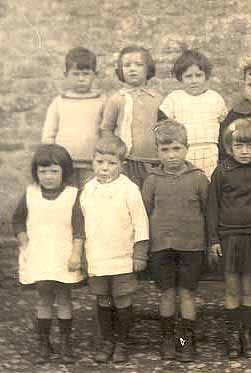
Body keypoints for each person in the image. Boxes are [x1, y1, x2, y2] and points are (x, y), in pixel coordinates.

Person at [142, 120, 209, 362]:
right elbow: (145, 212)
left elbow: (207, 211)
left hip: (191, 247)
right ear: (157, 151)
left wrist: (209, 244)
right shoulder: (152, 180)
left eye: (176, 149)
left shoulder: (198, 178)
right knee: (168, 294)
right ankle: (169, 340)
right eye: (165, 150)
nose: (171, 156)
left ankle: (185, 341)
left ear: (187, 148)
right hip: (161, 248)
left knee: (187, 294)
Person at [12, 144, 84, 364]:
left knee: (63, 298)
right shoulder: (30, 194)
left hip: (63, 256)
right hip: (39, 254)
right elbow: (18, 219)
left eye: (54, 171)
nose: (48, 176)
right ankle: (43, 343)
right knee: (43, 299)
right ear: (36, 172)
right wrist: (22, 236)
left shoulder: (73, 195)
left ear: (64, 172)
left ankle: (65, 342)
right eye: (43, 172)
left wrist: (76, 254)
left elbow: (80, 227)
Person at [80, 135, 150, 363]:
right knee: (103, 299)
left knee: (121, 299)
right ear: (93, 161)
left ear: (122, 165)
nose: (105, 168)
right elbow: (84, 224)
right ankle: (107, 340)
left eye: (111, 163)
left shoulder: (129, 189)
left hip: (122, 257)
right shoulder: (88, 189)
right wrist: (83, 256)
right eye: (100, 162)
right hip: (98, 257)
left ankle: (122, 341)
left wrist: (140, 253)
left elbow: (141, 223)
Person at [208, 118, 251, 358]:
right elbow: (212, 207)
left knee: (249, 289)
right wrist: (213, 239)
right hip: (228, 238)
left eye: (250, 146)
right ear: (228, 147)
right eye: (239, 146)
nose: (245, 151)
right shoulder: (221, 172)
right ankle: (233, 335)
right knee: (232, 289)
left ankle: (248, 334)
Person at [41, 47, 106, 187]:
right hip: (63, 163)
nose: (81, 79)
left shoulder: (102, 101)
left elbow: (107, 131)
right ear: (66, 74)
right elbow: (49, 133)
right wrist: (52, 157)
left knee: (89, 196)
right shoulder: (59, 101)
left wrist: (103, 157)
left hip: (92, 163)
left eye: (86, 74)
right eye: (75, 74)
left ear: (95, 74)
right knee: (66, 196)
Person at [101, 46, 164, 187]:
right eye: (127, 65)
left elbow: (164, 128)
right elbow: (107, 130)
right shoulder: (116, 99)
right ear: (120, 71)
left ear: (148, 69)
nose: (132, 69)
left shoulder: (158, 99)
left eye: (139, 65)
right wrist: (113, 155)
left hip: (153, 161)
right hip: (126, 162)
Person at [159, 49, 228, 180]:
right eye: (188, 76)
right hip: (183, 153)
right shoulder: (174, 99)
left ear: (206, 76)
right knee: (186, 184)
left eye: (198, 75)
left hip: (210, 152)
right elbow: (162, 127)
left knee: (208, 185)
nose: (194, 81)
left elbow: (224, 127)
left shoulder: (215, 98)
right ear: (180, 78)